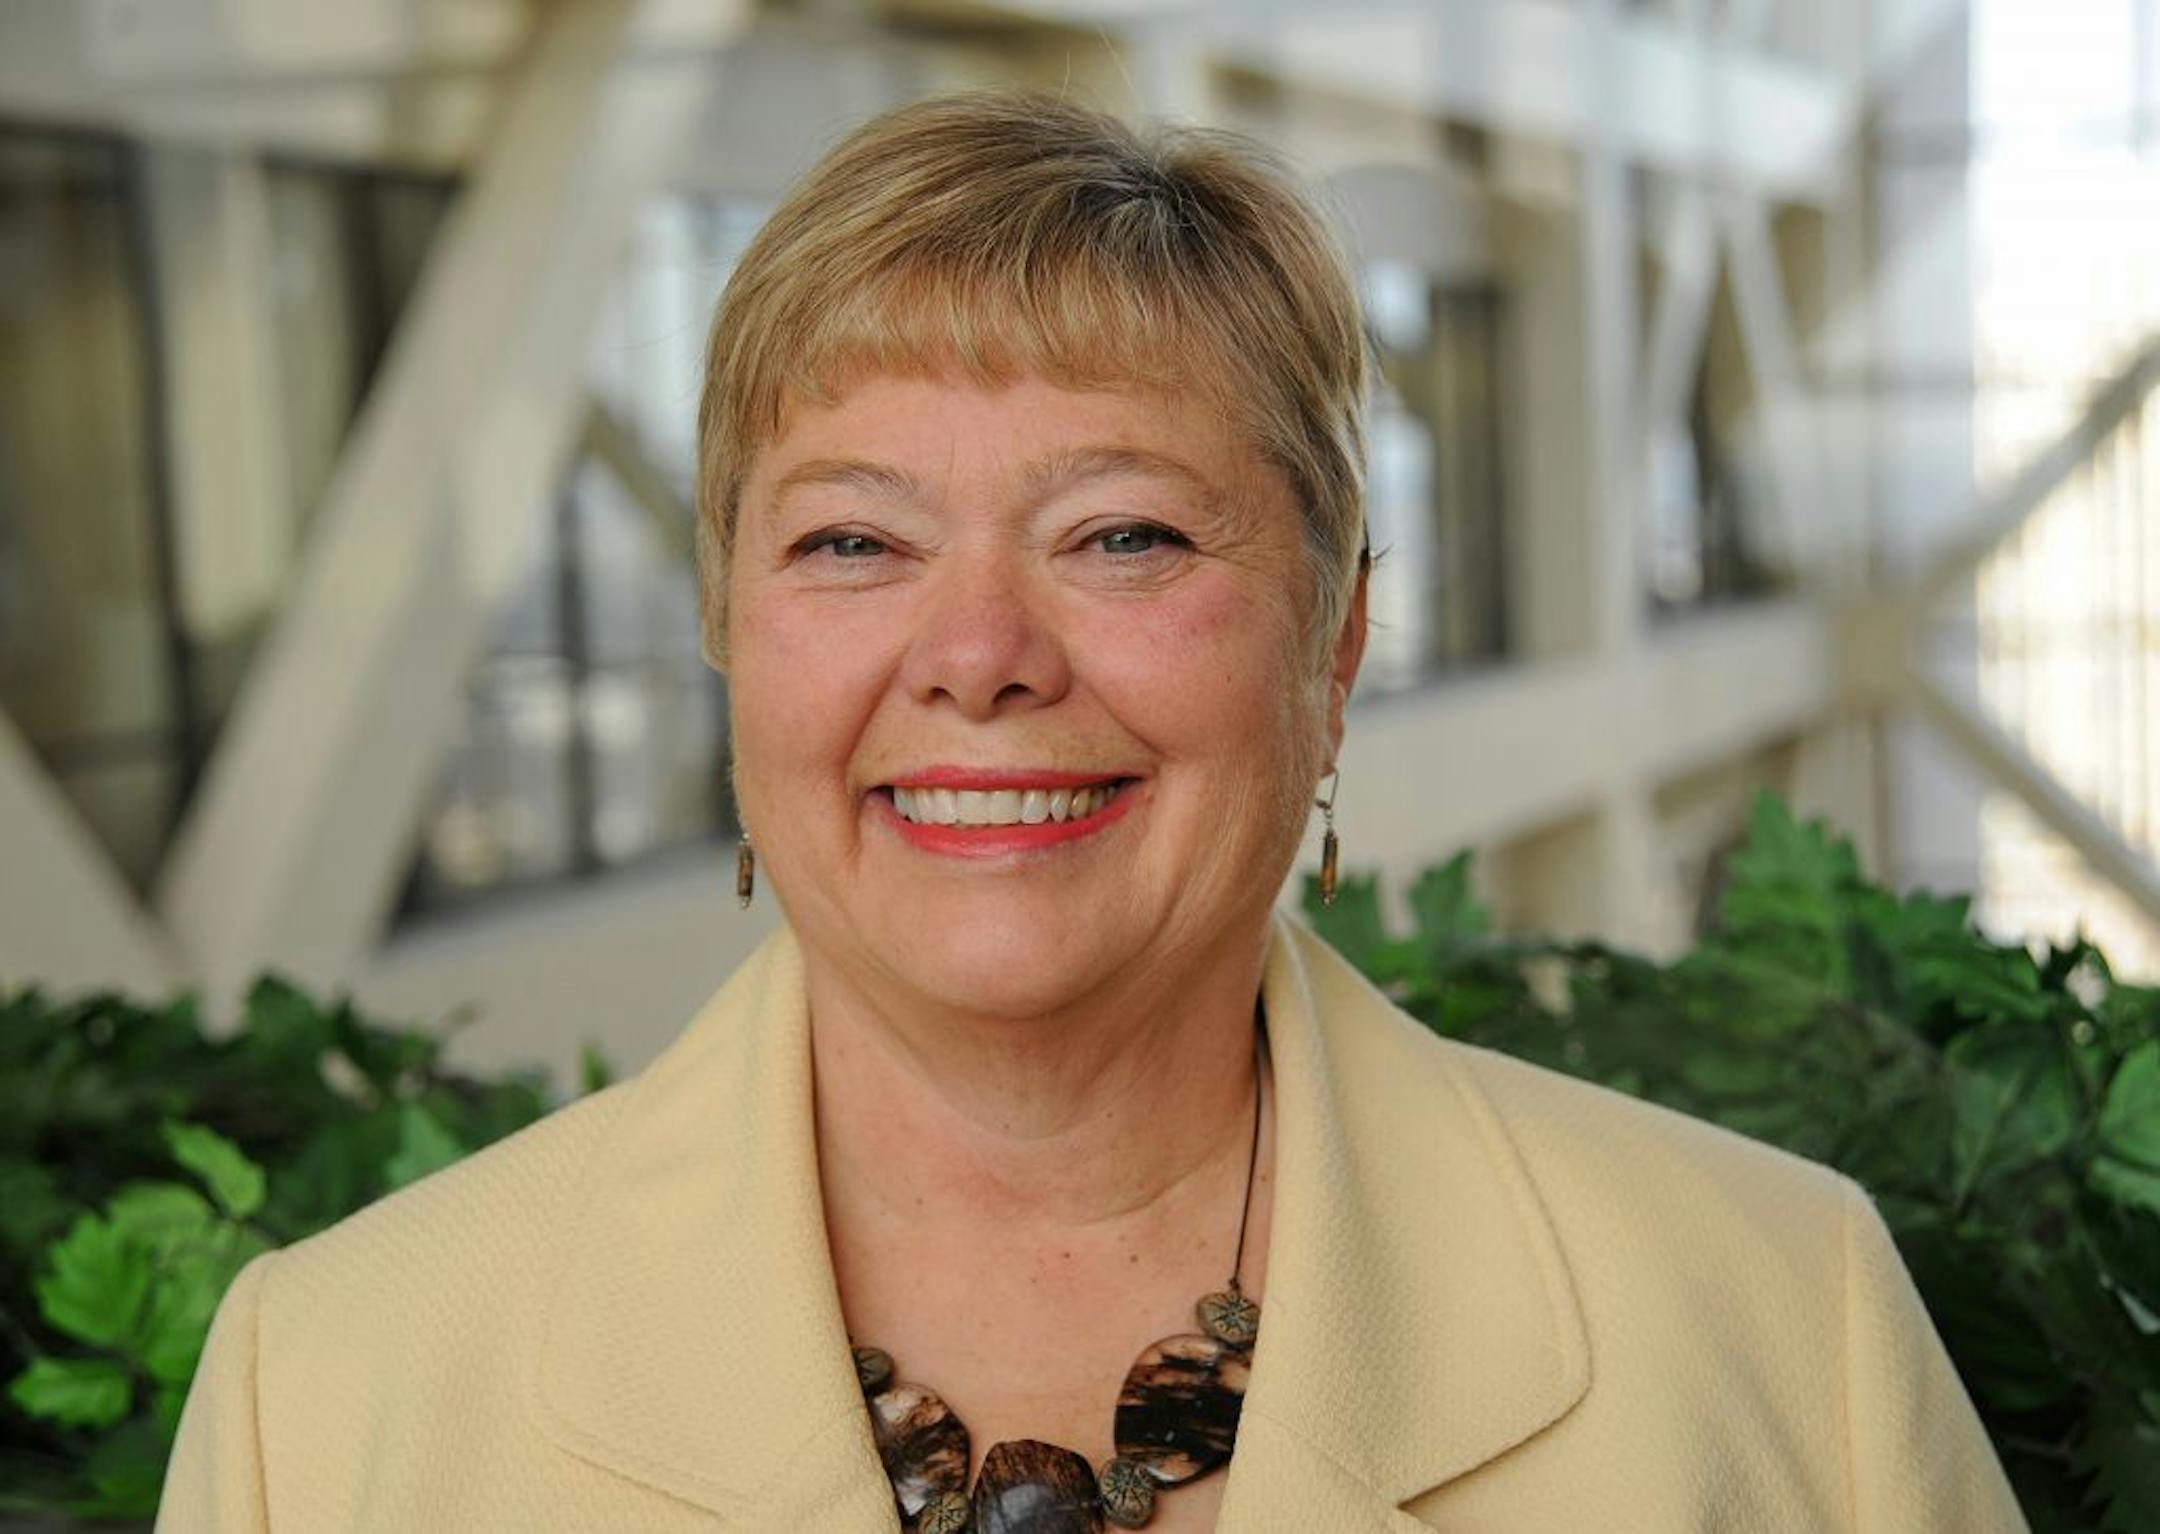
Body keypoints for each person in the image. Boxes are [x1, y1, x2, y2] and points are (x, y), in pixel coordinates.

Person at [158, 89, 2024, 1533]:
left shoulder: (1782, 1324)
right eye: (853, 539)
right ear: (733, 635)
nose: (976, 655)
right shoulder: (323, 1392)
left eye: (1120, 533)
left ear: (1339, 635)